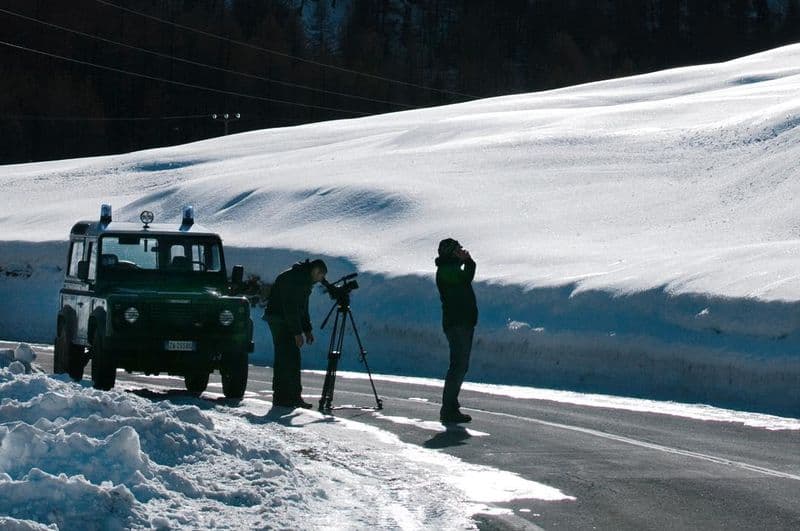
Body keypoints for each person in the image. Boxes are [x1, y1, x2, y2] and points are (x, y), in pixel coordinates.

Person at [264, 259, 327, 408]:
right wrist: (297, 333)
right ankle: (282, 397)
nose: (321, 280)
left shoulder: (303, 280)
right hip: (279, 320)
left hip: (285, 320)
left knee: (292, 357)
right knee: (285, 357)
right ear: (315, 271)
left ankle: (292, 396)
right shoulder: (294, 279)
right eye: (321, 275)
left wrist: (307, 329)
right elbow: (290, 307)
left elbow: (303, 307)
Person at [435, 238, 478, 423]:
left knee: (460, 365)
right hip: (457, 323)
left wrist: (466, 262)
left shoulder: (449, 269)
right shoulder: (447, 271)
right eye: (458, 249)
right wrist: (467, 261)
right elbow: (465, 277)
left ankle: (451, 406)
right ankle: (449, 408)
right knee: (458, 365)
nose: (462, 251)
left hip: (461, 322)